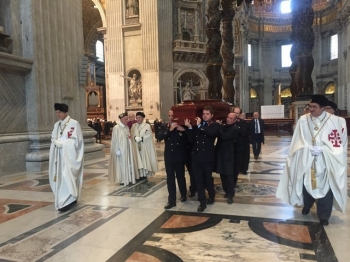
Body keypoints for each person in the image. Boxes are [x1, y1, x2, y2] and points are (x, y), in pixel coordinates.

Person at [276, 95, 348, 226]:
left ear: (323, 108)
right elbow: (296, 141)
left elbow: (340, 144)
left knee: (326, 189)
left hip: (326, 162)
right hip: (307, 159)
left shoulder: (336, 122)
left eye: (314, 107)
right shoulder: (303, 120)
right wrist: (306, 149)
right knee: (306, 184)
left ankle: (324, 216)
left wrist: (324, 150)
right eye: (310, 106)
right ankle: (307, 205)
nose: (311, 110)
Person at [49, 103, 84, 212]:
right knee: (60, 178)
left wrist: (63, 144)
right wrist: (55, 141)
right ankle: (62, 200)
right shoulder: (56, 125)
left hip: (69, 157)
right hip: (59, 157)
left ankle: (70, 198)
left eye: (59, 112)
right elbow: (53, 137)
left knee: (67, 177)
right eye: (56, 112)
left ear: (65, 112)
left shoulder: (74, 124)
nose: (58, 114)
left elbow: (76, 142)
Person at [184, 106, 220, 212]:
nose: (205, 115)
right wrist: (190, 128)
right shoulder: (197, 127)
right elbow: (191, 140)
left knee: (207, 179)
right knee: (198, 180)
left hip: (208, 157)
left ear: (212, 115)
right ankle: (202, 202)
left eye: (207, 114)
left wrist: (199, 126)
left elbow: (211, 133)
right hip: (196, 157)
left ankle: (211, 195)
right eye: (203, 114)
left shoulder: (214, 125)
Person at [158, 110, 188, 209]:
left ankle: (183, 195)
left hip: (179, 156)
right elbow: (159, 137)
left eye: (173, 116)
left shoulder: (181, 126)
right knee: (170, 178)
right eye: (169, 115)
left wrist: (184, 130)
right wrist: (169, 130)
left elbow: (188, 140)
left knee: (180, 177)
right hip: (169, 157)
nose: (171, 117)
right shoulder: (164, 126)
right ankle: (171, 201)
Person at [215, 113, 240, 204]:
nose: (228, 119)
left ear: (235, 120)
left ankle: (230, 194)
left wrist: (220, 127)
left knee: (229, 175)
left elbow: (224, 136)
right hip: (221, 154)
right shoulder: (224, 126)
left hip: (229, 155)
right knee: (222, 174)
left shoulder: (235, 129)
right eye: (228, 117)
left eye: (231, 118)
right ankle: (226, 191)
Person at [108, 113, 136, 186]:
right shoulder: (116, 128)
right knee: (121, 164)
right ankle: (122, 179)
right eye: (125, 119)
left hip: (127, 149)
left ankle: (128, 178)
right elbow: (114, 140)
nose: (127, 120)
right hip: (120, 150)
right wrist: (117, 149)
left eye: (127, 119)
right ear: (121, 119)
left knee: (127, 163)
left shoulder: (126, 127)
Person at [130, 112, 158, 179]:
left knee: (144, 159)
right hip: (136, 145)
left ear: (143, 118)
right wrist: (134, 138)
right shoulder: (134, 126)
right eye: (137, 117)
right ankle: (138, 173)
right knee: (137, 159)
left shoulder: (147, 126)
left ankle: (144, 173)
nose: (138, 119)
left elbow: (149, 136)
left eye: (139, 118)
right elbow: (131, 134)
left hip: (144, 145)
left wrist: (141, 138)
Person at [232, 107, 250, 184]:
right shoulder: (230, 121)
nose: (236, 114)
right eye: (234, 112)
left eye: (237, 113)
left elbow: (245, 132)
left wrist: (237, 128)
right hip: (230, 146)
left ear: (239, 114)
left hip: (239, 146)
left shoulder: (244, 123)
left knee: (238, 162)